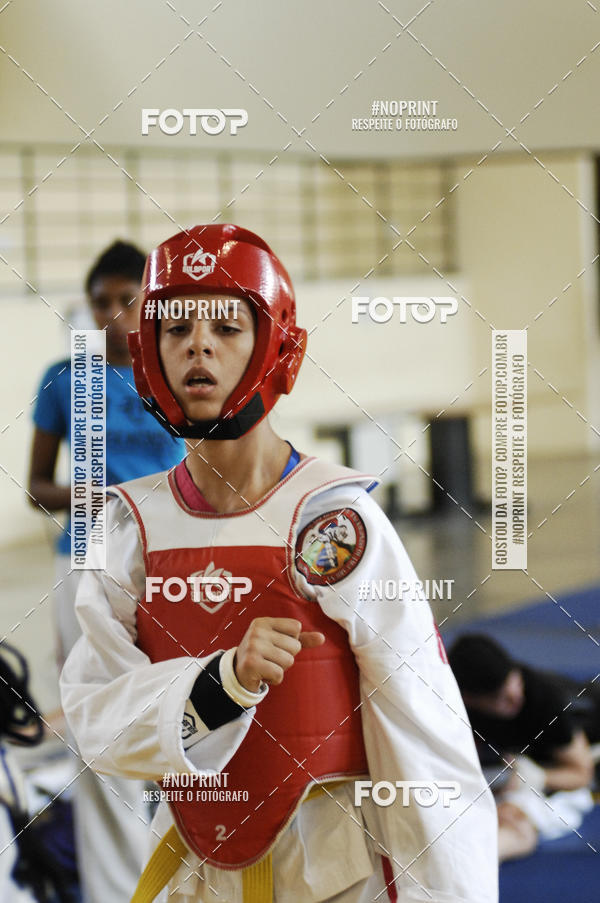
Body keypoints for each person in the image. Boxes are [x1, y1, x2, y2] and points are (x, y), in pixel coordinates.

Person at [60, 224, 498, 903]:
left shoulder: (334, 522)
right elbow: (96, 715)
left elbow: (423, 726)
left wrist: (446, 889)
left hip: (331, 864)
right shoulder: (129, 529)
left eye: (226, 327)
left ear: (274, 347)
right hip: (194, 864)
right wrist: (221, 684)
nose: (198, 344)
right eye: (176, 329)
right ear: (150, 351)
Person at [28, 240, 184, 903]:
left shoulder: (175, 373)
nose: (114, 313)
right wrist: (93, 496)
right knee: (98, 724)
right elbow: (37, 485)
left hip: (168, 561)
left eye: (128, 299)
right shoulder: (64, 379)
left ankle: (191, 868)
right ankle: (115, 890)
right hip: (88, 560)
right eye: (101, 302)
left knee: (180, 708)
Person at [448, 633, 597, 859]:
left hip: (586, 737)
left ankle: (471, 861)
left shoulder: (543, 700)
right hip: (513, 768)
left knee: (514, 818)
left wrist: (540, 777)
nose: (514, 696)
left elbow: (582, 774)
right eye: (499, 697)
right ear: (469, 700)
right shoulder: (454, 709)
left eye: (514, 681)